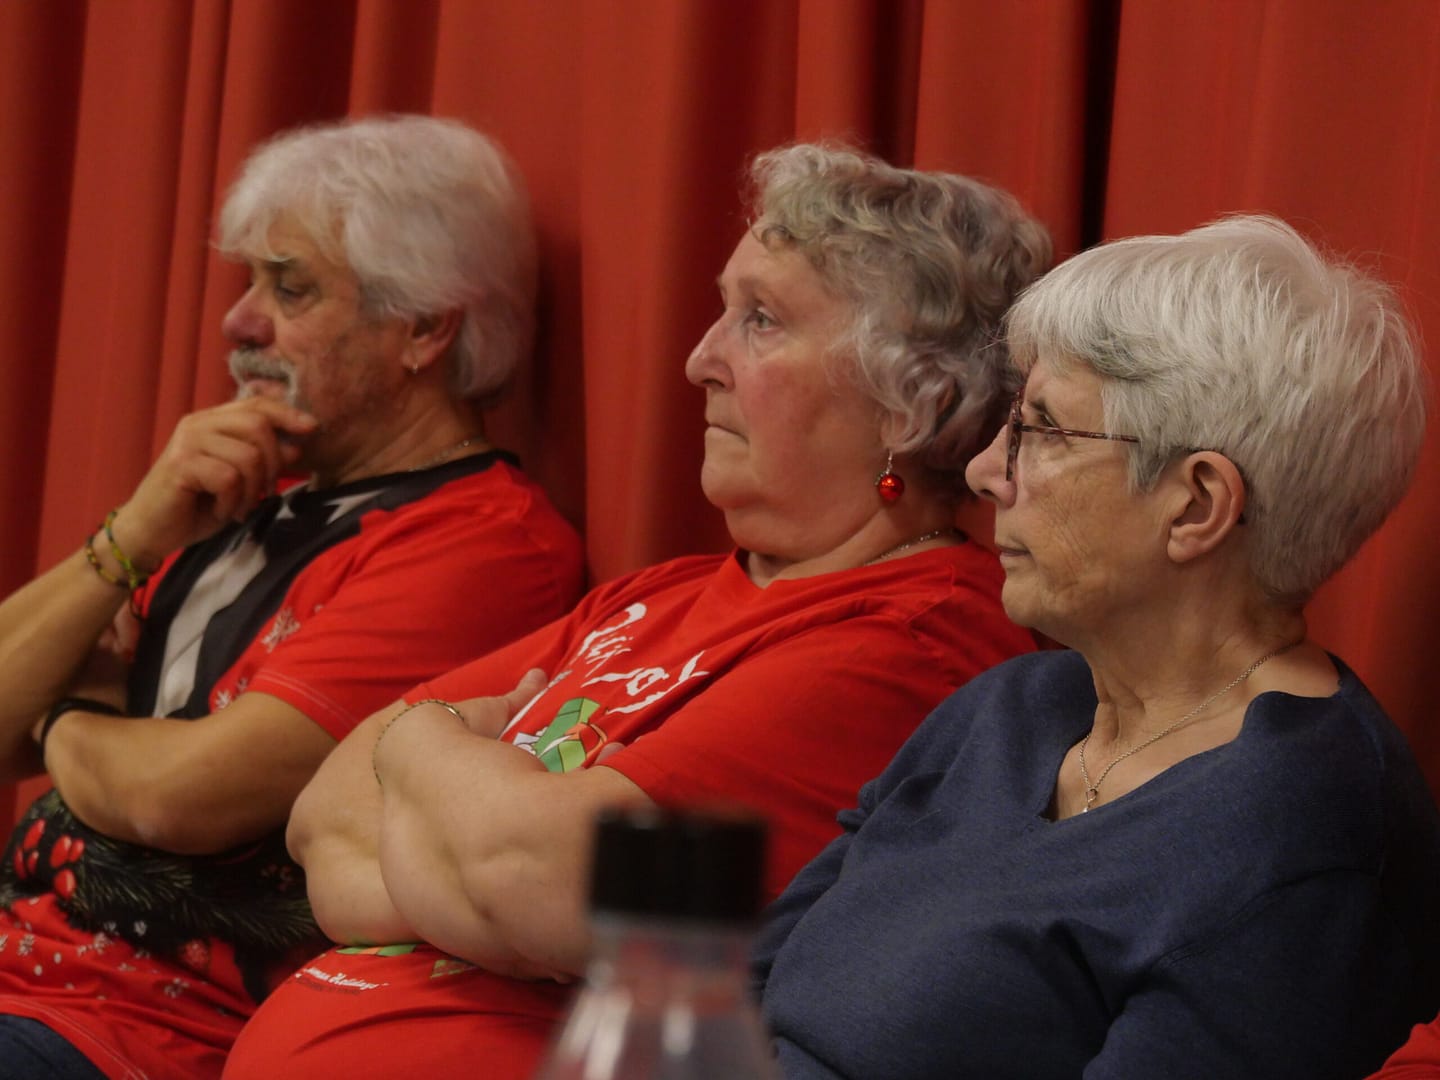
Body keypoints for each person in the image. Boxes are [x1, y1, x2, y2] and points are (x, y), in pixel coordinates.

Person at [218, 143, 1052, 1078]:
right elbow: (321, 820)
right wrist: (481, 876)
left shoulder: (914, 639)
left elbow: (546, 882)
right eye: (724, 310)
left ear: (913, 402)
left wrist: (420, 742)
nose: (700, 360)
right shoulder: (660, 594)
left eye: (762, 320)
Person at [753, 214, 1440, 1079]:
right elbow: (741, 989)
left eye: (1041, 429)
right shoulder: (1013, 706)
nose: (985, 471)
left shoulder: (1304, 840)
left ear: (1195, 506)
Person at [0, 115, 585, 1079]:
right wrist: (131, 537)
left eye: (290, 287)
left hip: (135, 1038)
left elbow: (185, 798)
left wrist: (62, 713)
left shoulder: (482, 541)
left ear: (425, 327)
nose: (239, 322)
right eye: (250, 283)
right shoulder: (229, 498)